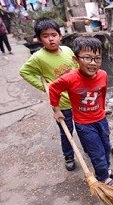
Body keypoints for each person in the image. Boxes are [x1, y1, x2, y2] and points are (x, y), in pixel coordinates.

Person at [49, 36, 113, 188]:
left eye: (97, 58)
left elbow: (103, 92)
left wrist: (102, 107)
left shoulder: (103, 75)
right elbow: (53, 89)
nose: (93, 63)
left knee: (106, 146)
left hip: (101, 119)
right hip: (84, 124)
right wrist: (56, 110)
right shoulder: (69, 78)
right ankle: (102, 177)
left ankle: (106, 169)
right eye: (87, 58)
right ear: (76, 59)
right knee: (97, 152)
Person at [19, 18, 79, 171]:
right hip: (61, 102)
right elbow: (24, 72)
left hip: (78, 98)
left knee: (84, 128)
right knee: (66, 131)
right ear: (39, 39)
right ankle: (69, 156)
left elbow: (77, 68)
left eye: (54, 34)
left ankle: (88, 151)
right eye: (45, 36)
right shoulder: (38, 58)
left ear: (60, 35)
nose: (51, 39)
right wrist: (45, 88)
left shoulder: (67, 50)